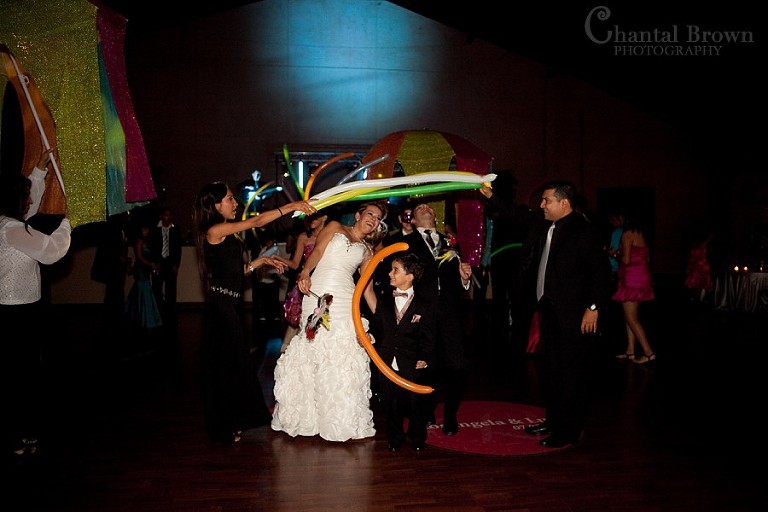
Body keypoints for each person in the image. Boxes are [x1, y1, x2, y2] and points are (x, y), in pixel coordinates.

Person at [192, 181, 314, 445]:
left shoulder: (224, 232)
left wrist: (260, 262)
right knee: (227, 365)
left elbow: (236, 271)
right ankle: (225, 425)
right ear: (216, 205)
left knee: (234, 364)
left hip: (229, 305)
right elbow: (257, 221)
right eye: (229, 198)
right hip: (221, 307)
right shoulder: (215, 229)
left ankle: (233, 421)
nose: (234, 203)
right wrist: (291, 206)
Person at [271, 202, 386, 442]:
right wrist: (305, 273)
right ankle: (307, 417)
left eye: (378, 218)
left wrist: (384, 320)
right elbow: (317, 252)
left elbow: (367, 289)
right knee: (312, 348)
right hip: (318, 292)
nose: (373, 220)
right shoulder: (335, 226)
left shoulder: (368, 251)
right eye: (370, 214)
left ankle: (338, 419)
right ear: (358, 215)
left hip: (345, 301)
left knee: (342, 354)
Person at [522, 180, 611, 448]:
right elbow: (516, 215)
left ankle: (569, 431)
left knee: (572, 375)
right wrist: (490, 196)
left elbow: (601, 273)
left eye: (546, 200)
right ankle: (554, 422)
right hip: (550, 310)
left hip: (574, 315)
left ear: (563, 203)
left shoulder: (584, 230)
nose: (541, 205)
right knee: (551, 371)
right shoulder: (547, 226)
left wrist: (593, 308)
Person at [0, 148, 71, 458]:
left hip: (19, 309)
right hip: (17, 312)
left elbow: (29, 207)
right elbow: (52, 251)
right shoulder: (12, 230)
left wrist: (39, 171)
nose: (29, 203)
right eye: (24, 199)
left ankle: (24, 433)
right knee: (20, 375)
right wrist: (69, 222)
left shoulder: (6, 222)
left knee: (22, 373)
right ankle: (19, 436)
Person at [402, 202, 473, 436]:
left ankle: (451, 414)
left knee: (458, 365)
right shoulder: (405, 242)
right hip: (421, 311)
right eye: (419, 208)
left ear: (435, 217)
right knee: (425, 366)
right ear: (413, 220)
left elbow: (458, 280)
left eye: (429, 208)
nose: (425, 207)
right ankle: (426, 408)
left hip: (450, 311)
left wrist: (464, 279)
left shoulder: (450, 241)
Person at [366, 252, 435, 452]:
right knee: (391, 405)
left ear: (410, 276)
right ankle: (394, 439)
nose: (390, 273)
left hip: (411, 363)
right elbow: (377, 324)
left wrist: (424, 357)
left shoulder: (424, 304)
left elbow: (429, 335)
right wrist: (369, 336)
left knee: (415, 405)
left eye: (395, 270)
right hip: (386, 362)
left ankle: (417, 438)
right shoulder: (384, 300)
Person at [279, 212, 328, 353]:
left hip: (324, 281)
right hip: (306, 283)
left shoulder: (331, 236)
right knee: (300, 319)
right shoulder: (303, 237)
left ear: (325, 217)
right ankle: (293, 353)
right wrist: (277, 258)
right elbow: (295, 264)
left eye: (315, 216)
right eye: (308, 216)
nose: (311, 219)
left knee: (321, 318)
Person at [612, 213, 656, 364]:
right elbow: (646, 258)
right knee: (629, 316)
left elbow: (625, 259)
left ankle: (648, 352)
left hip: (631, 278)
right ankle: (630, 351)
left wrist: (614, 254)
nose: (618, 220)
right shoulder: (641, 234)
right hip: (641, 276)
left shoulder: (627, 234)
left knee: (631, 318)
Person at [125, 222, 163, 329]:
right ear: (141, 231)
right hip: (141, 268)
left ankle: (143, 315)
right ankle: (145, 316)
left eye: (147, 229)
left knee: (142, 289)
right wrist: (150, 264)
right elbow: (139, 256)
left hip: (144, 268)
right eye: (145, 229)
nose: (147, 231)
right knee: (144, 289)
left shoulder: (145, 241)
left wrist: (152, 264)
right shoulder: (139, 241)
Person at [150, 206, 182, 322]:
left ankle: (170, 314)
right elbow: (151, 247)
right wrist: (153, 263)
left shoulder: (174, 229)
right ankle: (159, 312)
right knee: (156, 289)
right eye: (165, 215)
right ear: (161, 216)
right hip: (158, 262)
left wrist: (176, 264)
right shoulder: (154, 229)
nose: (168, 218)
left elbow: (178, 248)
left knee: (171, 291)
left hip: (170, 263)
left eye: (169, 215)